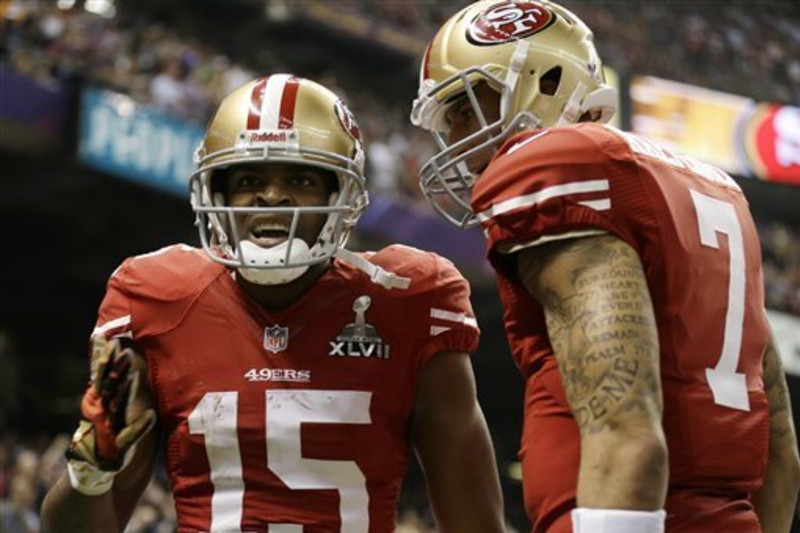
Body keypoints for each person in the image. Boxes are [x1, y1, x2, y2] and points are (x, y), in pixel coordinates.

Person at [41, 74, 506, 532]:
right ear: (215, 192)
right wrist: (92, 469)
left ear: (341, 195)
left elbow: (475, 521)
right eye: (247, 178)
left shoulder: (408, 299)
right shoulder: (157, 298)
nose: (271, 195)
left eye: (301, 177)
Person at [408, 1, 800, 532]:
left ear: (545, 82)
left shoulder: (557, 169)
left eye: (466, 106)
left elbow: (626, 426)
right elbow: (780, 454)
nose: (454, 134)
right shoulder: (717, 190)